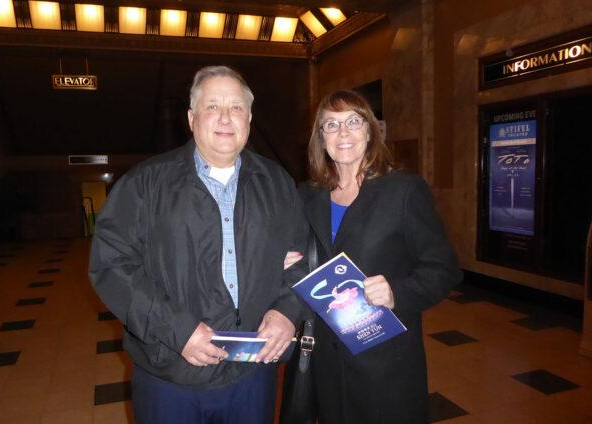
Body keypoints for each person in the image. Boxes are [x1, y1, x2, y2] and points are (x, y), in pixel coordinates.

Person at [88, 65, 309, 424]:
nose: (225, 117)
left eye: (236, 107)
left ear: (249, 118)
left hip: (252, 372)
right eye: (212, 106)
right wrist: (178, 330)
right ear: (191, 118)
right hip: (171, 372)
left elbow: (301, 260)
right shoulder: (146, 184)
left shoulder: (277, 183)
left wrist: (286, 312)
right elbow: (111, 265)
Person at [297, 89, 462, 423]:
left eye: (353, 122)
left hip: (386, 364)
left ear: (370, 131)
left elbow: (444, 268)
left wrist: (397, 292)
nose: (342, 133)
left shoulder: (402, 191)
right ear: (320, 137)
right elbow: (303, 260)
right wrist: (293, 263)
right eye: (331, 124)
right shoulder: (307, 195)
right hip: (327, 361)